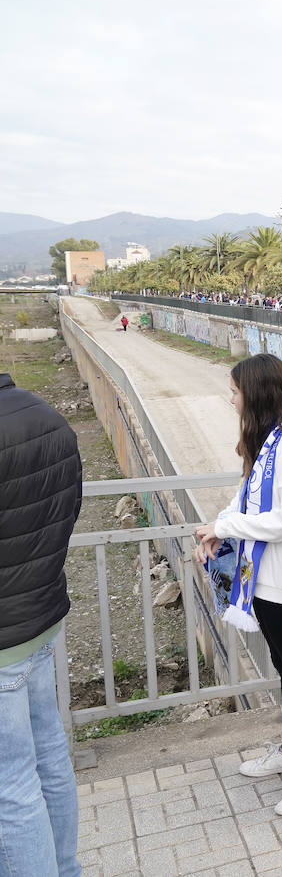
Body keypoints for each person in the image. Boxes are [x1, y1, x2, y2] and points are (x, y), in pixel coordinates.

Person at [193, 354, 282, 815]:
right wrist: (218, 526)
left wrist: (227, 528)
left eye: (234, 391)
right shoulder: (269, 442)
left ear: (256, 392)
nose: (230, 399)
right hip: (264, 582)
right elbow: (246, 497)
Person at [0, 372, 82, 877]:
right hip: (39, 623)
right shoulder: (49, 418)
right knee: (50, 758)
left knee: (10, 785)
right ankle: (65, 868)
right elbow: (66, 511)